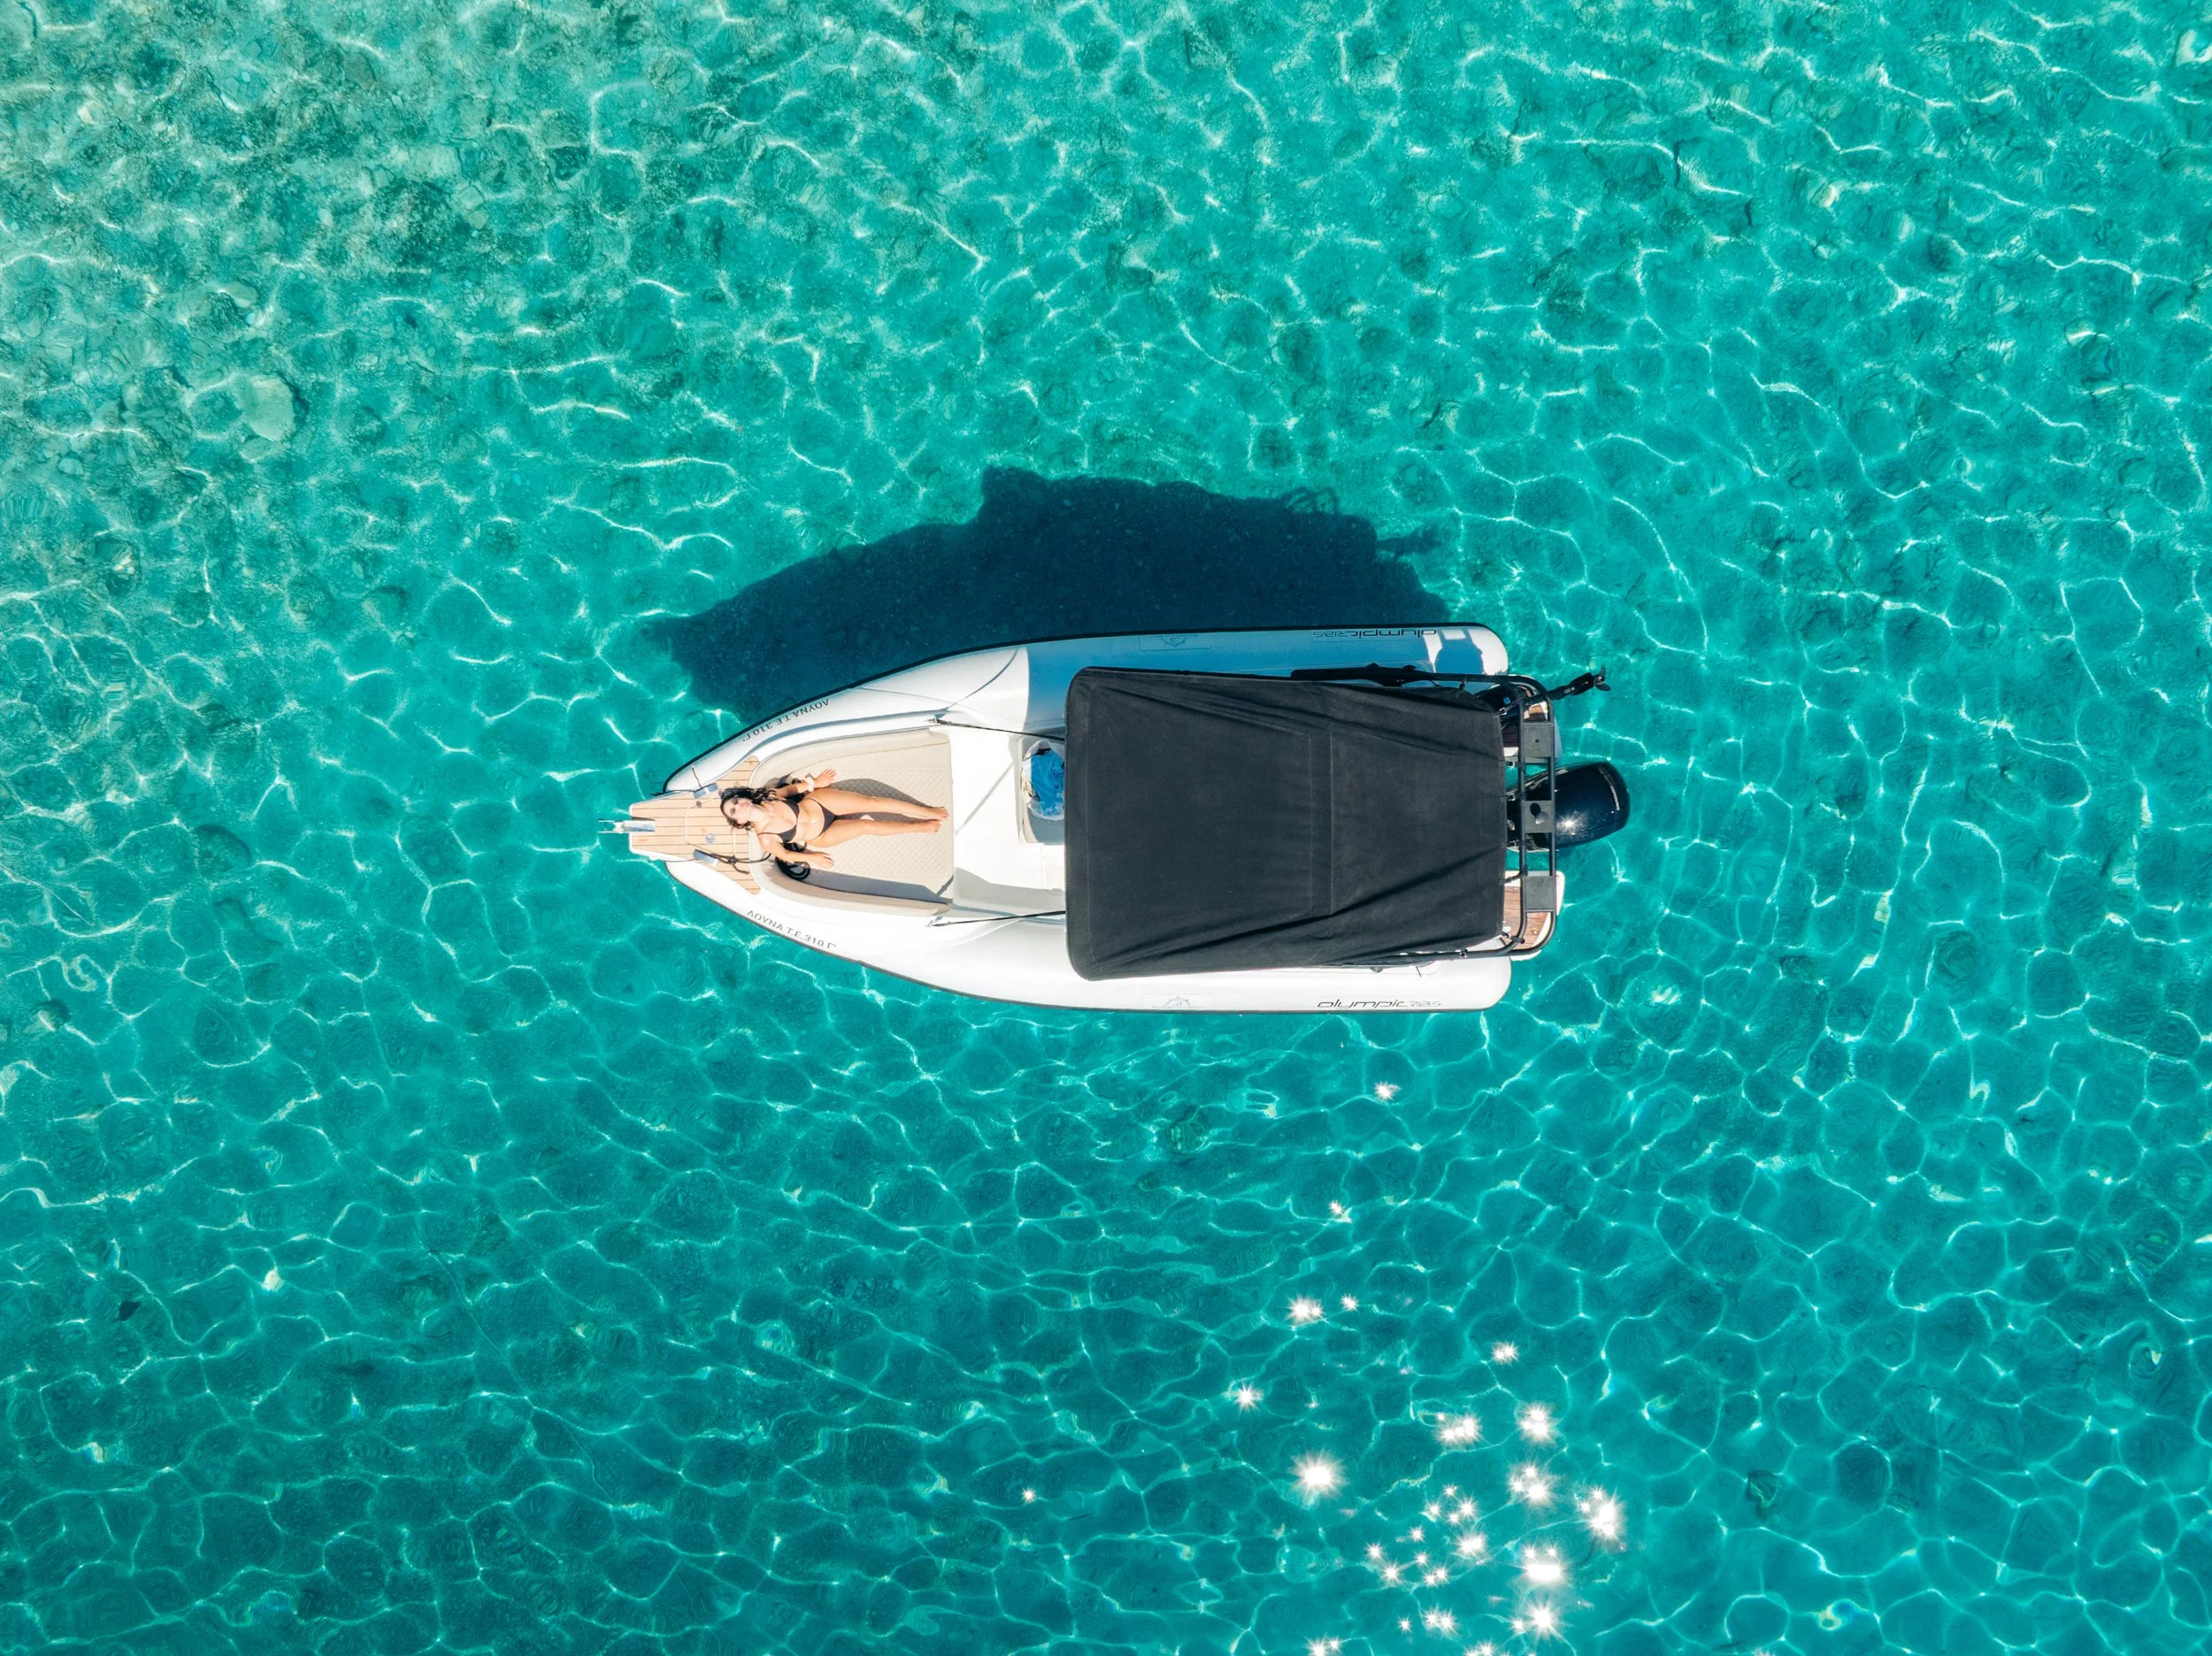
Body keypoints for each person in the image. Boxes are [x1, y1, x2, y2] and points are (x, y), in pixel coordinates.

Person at [718, 769, 947, 871]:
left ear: (744, 798)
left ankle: (926, 811)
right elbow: (787, 855)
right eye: (734, 811)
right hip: (820, 835)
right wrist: (812, 857)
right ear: (738, 823)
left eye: (737, 802)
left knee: (872, 802)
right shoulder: (765, 838)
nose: (740, 807)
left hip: (819, 804)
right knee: (865, 825)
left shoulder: (772, 796)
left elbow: (793, 789)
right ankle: (917, 827)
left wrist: (815, 784)